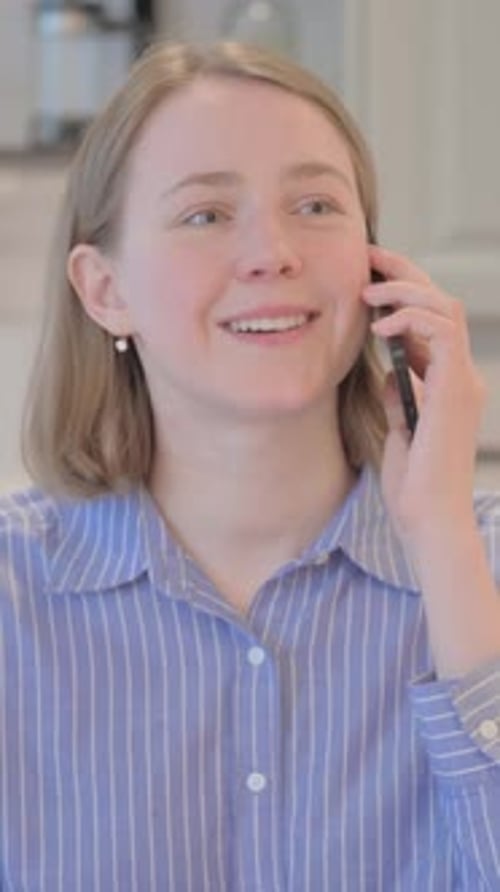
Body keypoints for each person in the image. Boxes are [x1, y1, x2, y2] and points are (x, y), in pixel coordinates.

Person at [1, 39, 499, 892]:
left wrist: (447, 547)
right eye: (206, 214)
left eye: (315, 205)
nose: (274, 253)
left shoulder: (477, 562)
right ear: (103, 289)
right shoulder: (15, 596)